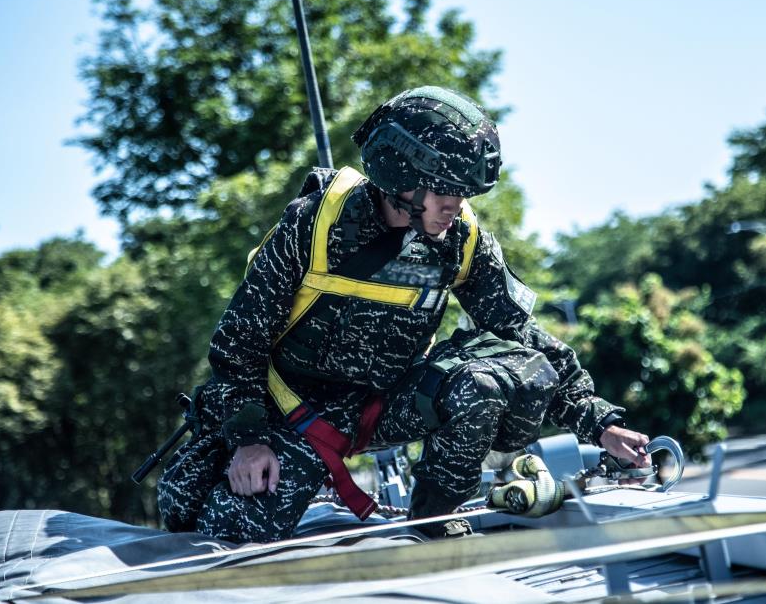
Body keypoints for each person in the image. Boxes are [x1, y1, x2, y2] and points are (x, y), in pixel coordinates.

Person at [157, 85, 651, 543]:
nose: (456, 207)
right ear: (402, 178)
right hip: (288, 414)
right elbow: (237, 342)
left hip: (386, 402)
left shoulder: (461, 240)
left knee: (505, 377)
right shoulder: (314, 225)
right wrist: (248, 441)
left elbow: (520, 332)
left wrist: (597, 421)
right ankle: (206, 479)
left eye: (464, 194)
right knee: (231, 534)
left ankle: (433, 522)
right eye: (444, 191)